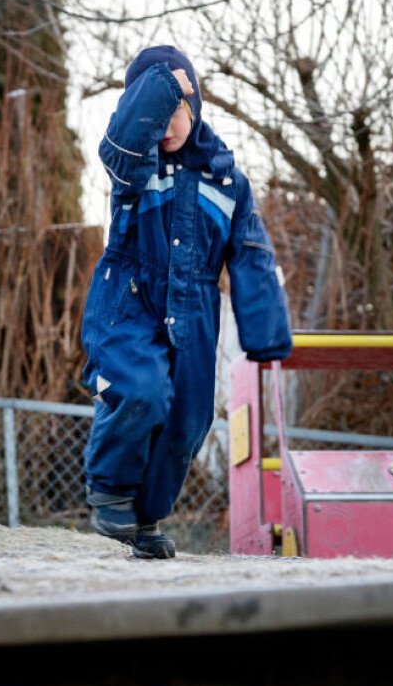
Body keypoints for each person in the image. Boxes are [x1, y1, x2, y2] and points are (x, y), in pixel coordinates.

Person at [83, 45, 292, 559]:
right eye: (156, 109)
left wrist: (265, 334)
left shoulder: (228, 181)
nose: (168, 123)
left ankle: (146, 520)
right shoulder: (134, 168)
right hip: (132, 299)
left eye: (179, 108)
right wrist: (161, 86)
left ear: (195, 106)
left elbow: (252, 254)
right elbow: (122, 143)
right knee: (142, 390)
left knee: (189, 420)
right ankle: (109, 487)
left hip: (196, 310)